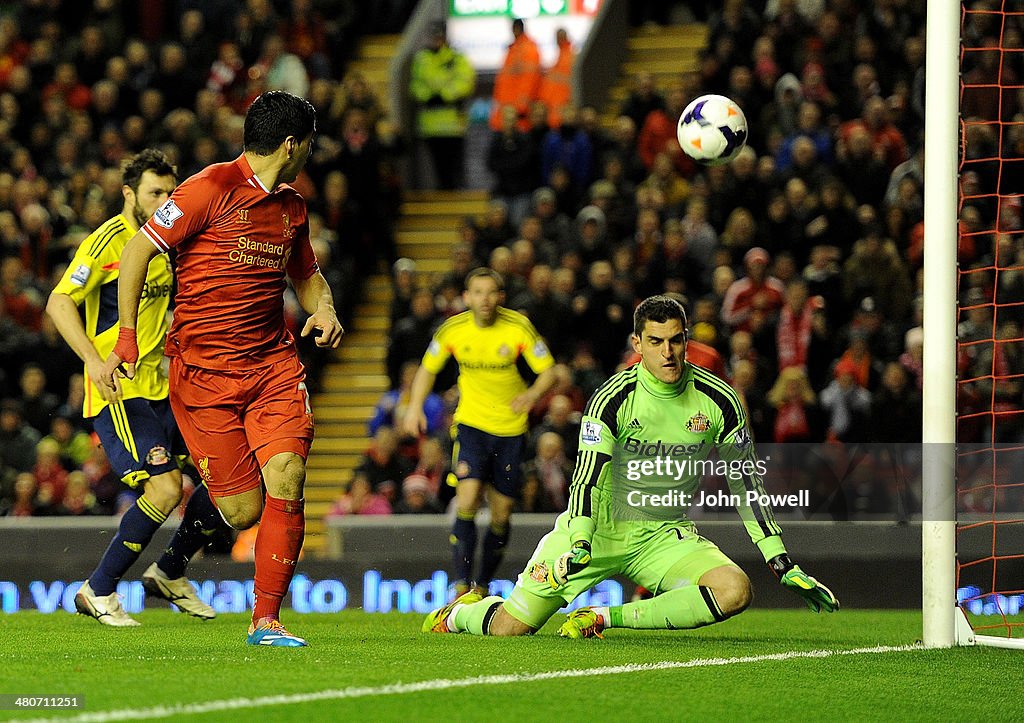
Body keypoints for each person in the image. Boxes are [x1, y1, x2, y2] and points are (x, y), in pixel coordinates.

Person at [423, 295, 838, 638]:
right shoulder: (613, 398)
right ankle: (459, 614)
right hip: (596, 531)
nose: (668, 352)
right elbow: (586, 478)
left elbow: (745, 482)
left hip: (663, 536)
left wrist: (779, 558)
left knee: (734, 590)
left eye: (676, 340)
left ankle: (603, 617)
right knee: (512, 628)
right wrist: (581, 541)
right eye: (656, 342)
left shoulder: (721, 401)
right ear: (637, 344)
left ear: (687, 339)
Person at [98, 91, 344, 647]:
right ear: (292, 143)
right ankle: (174, 564)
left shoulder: (291, 206)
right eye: (309, 142)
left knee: (288, 475)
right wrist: (130, 338)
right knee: (243, 506)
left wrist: (323, 308)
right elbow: (137, 252)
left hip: (272, 366)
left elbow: (305, 275)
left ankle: (266, 622)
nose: (310, 152)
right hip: (204, 375)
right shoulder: (208, 188)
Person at [46, 149, 219, 627]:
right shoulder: (107, 243)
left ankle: (170, 571)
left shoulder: (171, 241)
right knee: (166, 490)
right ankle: (97, 590)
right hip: (122, 390)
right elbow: (59, 301)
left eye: (170, 191)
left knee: (227, 481)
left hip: (167, 388)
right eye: (155, 192)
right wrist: (94, 361)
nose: (165, 200)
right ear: (129, 194)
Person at [403, 268, 556, 598]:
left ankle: (482, 585)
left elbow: (549, 372)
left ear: (500, 297)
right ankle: (461, 585)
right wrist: (414, 406)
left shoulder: (518, 327)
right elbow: (427, 370)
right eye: (478, 293)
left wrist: (531, 395)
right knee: (468, 499)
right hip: (471, 426)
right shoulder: (453, 330)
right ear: (467, 297)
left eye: (491, 293)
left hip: (511, 431)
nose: (484, 300)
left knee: (501, 513)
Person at [408, 21, 475, 190]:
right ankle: (443, 190)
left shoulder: (456, 57)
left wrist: (444, 95)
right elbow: (416, 85)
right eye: (434, 36)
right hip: (431, 122)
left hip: (453, 121)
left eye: (440, 36)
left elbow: (465, 82)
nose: (437, 40)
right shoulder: (422, 59)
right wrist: (429, 96)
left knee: (455, 163)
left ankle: (456, 192)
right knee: (438, 164)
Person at [489, 17, 542, 132]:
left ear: (516, 29)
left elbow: (530, 79)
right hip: (507, 108)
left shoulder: (528, 49)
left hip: (518, 112)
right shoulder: (513, 49)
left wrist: (521, 106)